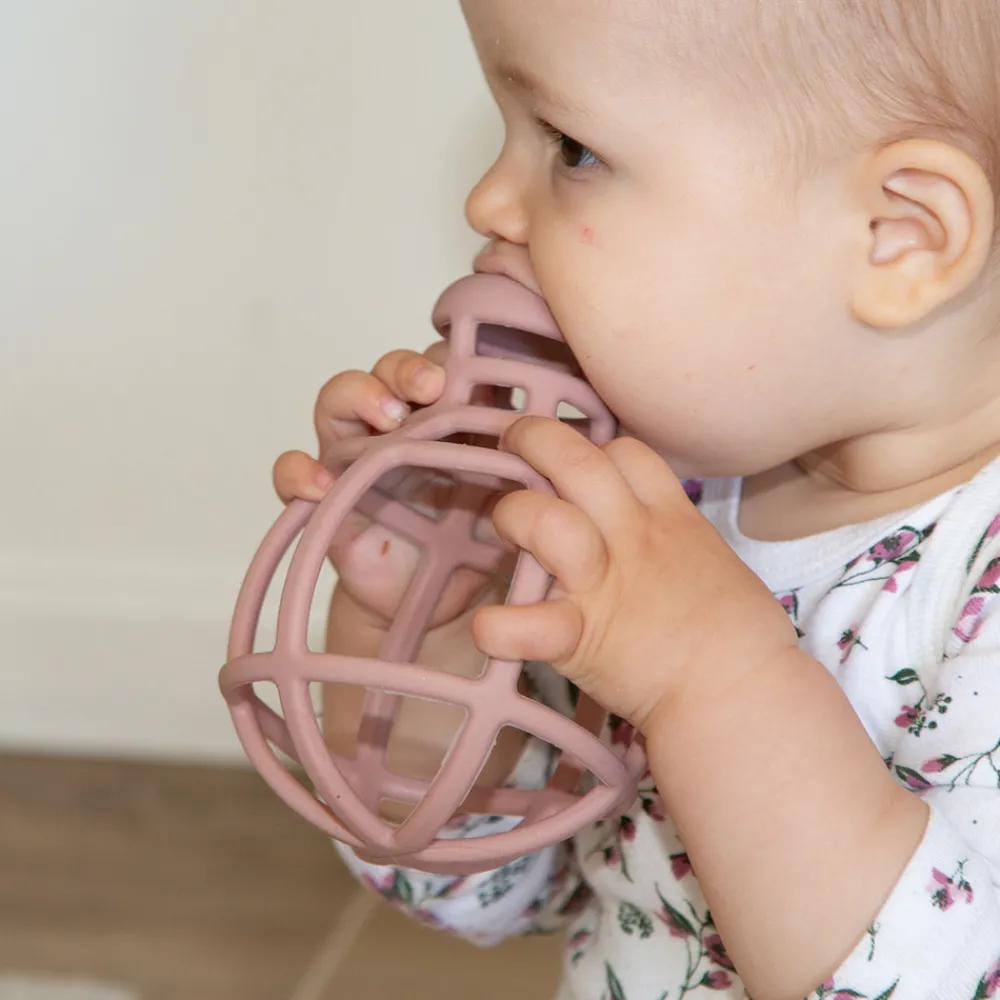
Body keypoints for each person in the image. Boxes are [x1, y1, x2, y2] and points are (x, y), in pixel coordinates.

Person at [272, 2, 1000, 997]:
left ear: (897, 236)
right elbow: (495, 882)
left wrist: (710, 677)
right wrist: (423, 624)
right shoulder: (665, 487)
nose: (488, 201)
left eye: (569, 146)